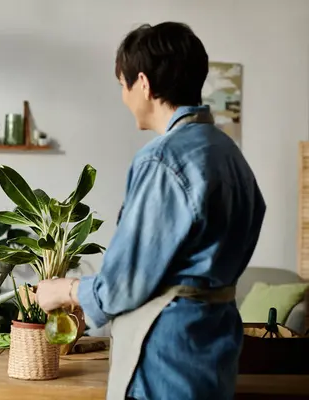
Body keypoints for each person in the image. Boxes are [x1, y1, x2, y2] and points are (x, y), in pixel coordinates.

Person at [36, 22, 266, 400]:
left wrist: (65, 289)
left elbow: (124, 282)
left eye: (122, 86)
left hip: (164, 352)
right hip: (215, 346)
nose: (124, 97)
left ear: (142, 83)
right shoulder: (228, 153)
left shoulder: (163, 159)